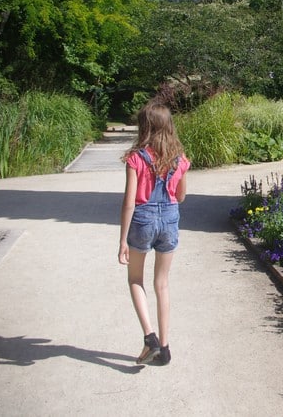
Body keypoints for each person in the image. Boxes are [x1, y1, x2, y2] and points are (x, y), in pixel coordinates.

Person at [118, 100, 191, 366]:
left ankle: (150, 339)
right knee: (162, 284)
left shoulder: (135, 158)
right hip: (170, 219)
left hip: (143, 220)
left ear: (144, 127)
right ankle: (166, 346)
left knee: (135, 279)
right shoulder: (180, 159)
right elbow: (180, 196)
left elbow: (129, 202)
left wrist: (123, 240)